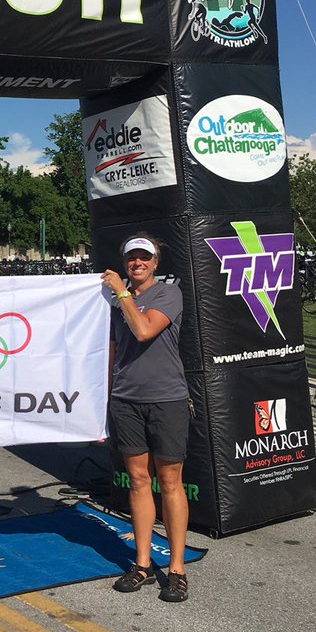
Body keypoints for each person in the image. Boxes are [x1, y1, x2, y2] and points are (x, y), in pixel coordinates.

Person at [101, 234, 190, 603]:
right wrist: (101, 401)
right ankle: (142, 564)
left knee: (169, 482)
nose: (137, 263)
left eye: (144, 257)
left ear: (155, 262)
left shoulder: (168, 294)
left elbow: (142, 331)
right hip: (126, 399)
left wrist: (121, 293)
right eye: (131, 258)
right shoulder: (116, 301)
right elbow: (112, 348)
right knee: (138, 480)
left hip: (166, 399)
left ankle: (177, 569)